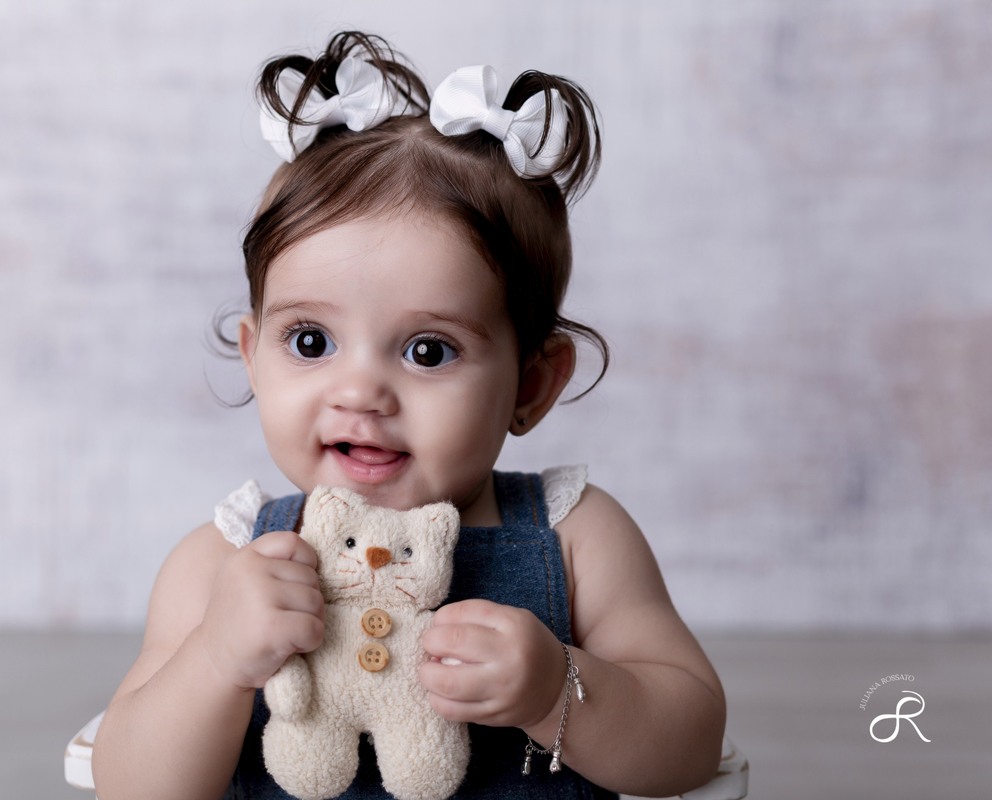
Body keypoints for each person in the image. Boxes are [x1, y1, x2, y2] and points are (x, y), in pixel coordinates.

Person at [91, 31, 726, 800]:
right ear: (254, 357)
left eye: (428, 351)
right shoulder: (222, 561)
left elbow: (690, 743)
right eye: (311, 340)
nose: (360, 392)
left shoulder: (578, 538)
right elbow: (129, 783)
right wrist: (217, 660)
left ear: (532, 385)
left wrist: (557, 689)